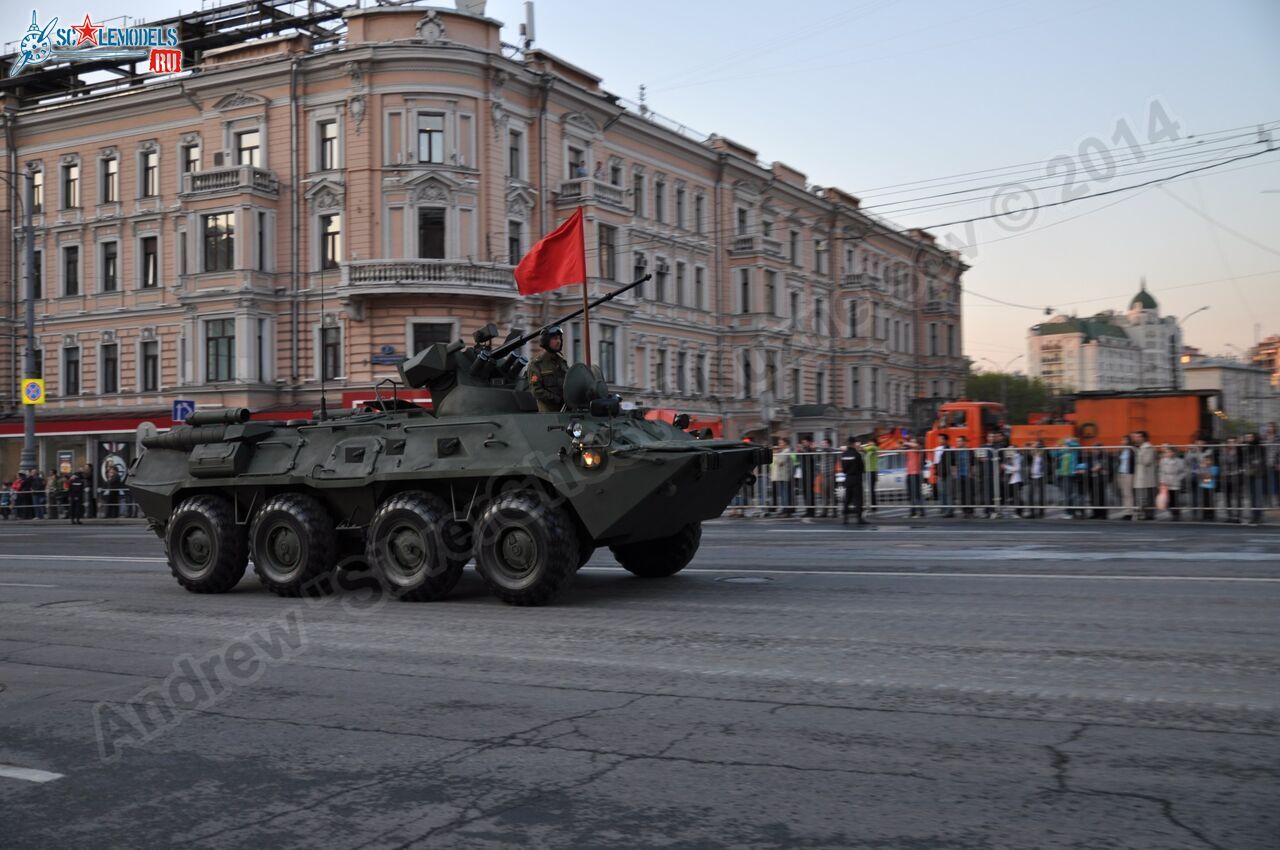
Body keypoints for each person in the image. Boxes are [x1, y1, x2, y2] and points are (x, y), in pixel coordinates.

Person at [527, 325, 568, 413]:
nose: (558, 341)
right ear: (546, 341)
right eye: (555, 338)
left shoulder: (562, 362)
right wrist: (556, 399)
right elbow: (536, 390)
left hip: (566, 412)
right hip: (548, 415)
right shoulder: (536, 364)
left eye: (559, 338)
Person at [839, 436, 867, 525]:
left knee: (847, 498)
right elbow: (862, 468)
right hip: (856, 478)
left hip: (848, 478)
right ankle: (859, 518)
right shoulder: (857, 454)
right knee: (858, 499)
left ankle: (845, 518)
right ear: (854, 444)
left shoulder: (844, 455)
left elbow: (843, 469)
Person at [1241, 432, 1266, 525]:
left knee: (1258, 496)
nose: (1249, 438)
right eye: (1247, 437)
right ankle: (1253, 515)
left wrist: (1252, 464)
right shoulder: (1246, 447)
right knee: (1251, 496)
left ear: (1255, 437)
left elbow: (1260, 461)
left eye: (1250, 437)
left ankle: (1259, 516)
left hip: (1258, 474)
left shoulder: (1260, 447)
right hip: (1249, 474)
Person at [1158, 445, 1186, 520]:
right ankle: (1171, 512)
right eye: (1167, 452)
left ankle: (1176, 513)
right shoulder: (1163, 461)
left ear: (1174, 452)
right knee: (1169, 498)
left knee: (1176, 498)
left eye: (1170, 451)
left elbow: (1183, 472)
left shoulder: (1179, 461)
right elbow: (1161, 471)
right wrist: (1162, 481)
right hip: (1166, 481)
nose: (1168, 453)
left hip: (1175, 481)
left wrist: (1178, 478)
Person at [1134, 431, 1157, 520]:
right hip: (1141, 476)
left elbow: (1147, 461)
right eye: (1136, 437)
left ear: (1143, 438)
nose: (1136, 439)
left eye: (1138, 437)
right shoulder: (1141, 448)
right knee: (1142, 496)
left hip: (1146, 476)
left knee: (1147, 497)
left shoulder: (1148, 448)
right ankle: (1143, 513)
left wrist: (1139, 454)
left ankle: (1149, 514)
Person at [769, 437, 794, 515]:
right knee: (783, 493)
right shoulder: (783, 451)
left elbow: (780, 462)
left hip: (785, 476)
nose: (779, 445)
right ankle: (785, 508)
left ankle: (786, 508)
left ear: (785, 443)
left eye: (781, 443)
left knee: (785, 493)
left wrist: (775, 455)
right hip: (781, 476)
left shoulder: (787, 451)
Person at [1115, 434, 1136, 520]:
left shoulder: (1132, 450)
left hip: (1128, 473)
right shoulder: (1123, 450)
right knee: (1124, 493)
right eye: (1122, 440)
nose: (1122, 442)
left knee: (1128, 493)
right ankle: (1125, 511)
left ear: (1128, 441)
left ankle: (1129, 512)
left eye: (1124, 440)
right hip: (1122, 473)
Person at [933, 435, 954, 517]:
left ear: (946, 440)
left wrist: (952, 472)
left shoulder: (950, 449)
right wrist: (936, 473)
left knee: (948, 492)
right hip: (940, 473)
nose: (939, 440)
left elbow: (953, 462)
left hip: (947, 473)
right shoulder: (937, 449)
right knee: (941, 492)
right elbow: (936, 462)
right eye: (938, 439)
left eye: (941, 439)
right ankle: (943, 509)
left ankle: (949, 511)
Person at [1194, 451, 1218, 522]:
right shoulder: (1202, 467)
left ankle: (1211, 514)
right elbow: (1197, 472)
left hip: (1211, 486)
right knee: (1204, 501)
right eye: (1205, 460)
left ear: (1211, 461)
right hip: (1203, 486)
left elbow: (1209, 475)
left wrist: (1204, 471)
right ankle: (1204, 514)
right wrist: (1202, 469)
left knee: (1211, 501)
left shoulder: (1214, 467)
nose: (1207, 462)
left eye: (1208, 460)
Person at [954, 435, 974, 517]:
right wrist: (954, 473)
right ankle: (964, 510)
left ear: (964, 442)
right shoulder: (955, 451)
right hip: (959, 475)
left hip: (967, 474)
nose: (958, 443)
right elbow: (953, 463)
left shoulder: (969, 451)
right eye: (957, 441)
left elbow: (973, 463)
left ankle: (970, 510)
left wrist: (971, 473)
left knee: (969, 493)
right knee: (962, 494)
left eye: (959, 441)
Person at [904, 437, 925, 518]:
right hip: (909, 473)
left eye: (913, 441)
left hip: (916, 473)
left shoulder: (917, 449)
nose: (911, 443)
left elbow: (917, 446)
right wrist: (904, 446)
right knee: (911, 494)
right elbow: (901, 451)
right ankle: (912, 512)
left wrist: (907, 443)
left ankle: (921, 512)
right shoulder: (909, 450)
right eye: (911, 441)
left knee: (917, 494)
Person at [1002, 443, 1024, 518]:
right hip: (1011, 479)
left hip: (1016, 480)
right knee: (1013, 496)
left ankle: (1018, 512)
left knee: (1016, 497)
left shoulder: (1017, 457)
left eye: (1011, 450)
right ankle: (1017, 511)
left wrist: (1005, 466)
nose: (1009, 452)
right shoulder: (1011, 457)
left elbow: (1017, 468)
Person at [1028, 441, 1047, 518]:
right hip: (1033, 476)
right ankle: (1032, 512)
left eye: (1037, 445)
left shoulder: (1043, 454)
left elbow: (1045, 449)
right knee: (1031, 495)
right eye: (1034, 445)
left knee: (1041, 495)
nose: (1035, 447)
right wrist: (1031, 447)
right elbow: (1026, 455)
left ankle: (1041, 512)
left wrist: (1040, 445)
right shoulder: (1031, 454)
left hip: (1040, 476)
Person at [862, 439, 880, 514]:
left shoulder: (875, 448)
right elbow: (863, 449)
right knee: (869, 489)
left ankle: (873, 506)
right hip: (867, 471)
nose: (869, 443)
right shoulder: (868, 450)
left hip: (873, 471)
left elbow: (868, 448)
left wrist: (864, 446)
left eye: (871, 442)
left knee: (872, 489)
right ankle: (870, 505)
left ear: (874, 443)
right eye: (868, 442)